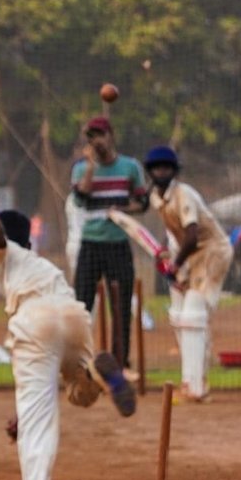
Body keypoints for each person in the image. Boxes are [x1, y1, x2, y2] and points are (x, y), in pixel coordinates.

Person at [0, 155, 136, 480]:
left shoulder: (4, 253)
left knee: (36, 437)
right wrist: (24, 411)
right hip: (73, 314)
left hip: (35, 321)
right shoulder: (42, 264)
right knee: (79, 393)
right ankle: (97, 371)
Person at [134, 145, 233, 403]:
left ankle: (196, 387)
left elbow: (191, 235)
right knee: (180, 316)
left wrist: (176, 265)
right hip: (190, 256)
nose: (161, 171)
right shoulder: (158, 197)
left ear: (175, 170)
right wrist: (172, 260)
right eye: (157, 168)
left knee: (193, 311)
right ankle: (192, 381)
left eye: (166, 167)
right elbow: (174, 234)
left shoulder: (184, 194)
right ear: (151, 172)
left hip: (212, 251)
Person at [71, 116, 146, 363]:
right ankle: (80, 361)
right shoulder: (81, 168)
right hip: (91, 244)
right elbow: (80, 199)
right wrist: (92, 167)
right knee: (81, 305)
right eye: (91, 137)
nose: (96, 141)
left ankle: (120, 362)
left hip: (117, 244)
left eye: (100, 135)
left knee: (121, 305)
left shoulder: (129, 167)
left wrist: (123, 211)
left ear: (110, 135)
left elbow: (142, 202)